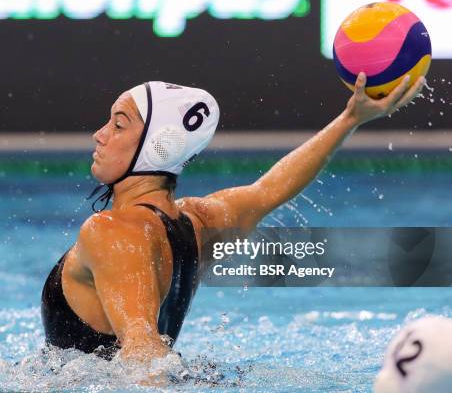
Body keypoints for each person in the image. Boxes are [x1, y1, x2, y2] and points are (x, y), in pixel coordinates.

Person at [41, 74, 425, 363]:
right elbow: (269, 190)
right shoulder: (196, 223)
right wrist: (349, 119)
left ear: (159, 146)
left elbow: (143, 350)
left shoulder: (111, 232)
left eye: (119, 124)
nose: (99, 134)